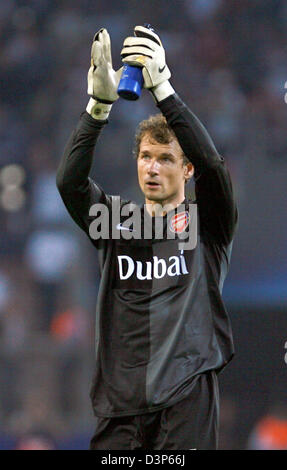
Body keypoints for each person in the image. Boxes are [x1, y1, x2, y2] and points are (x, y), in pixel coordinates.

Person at [56, 25, 238, 450]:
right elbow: (69, 182)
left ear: (186, 169)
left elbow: (214, 167)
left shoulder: (208, 223)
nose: (152, 168)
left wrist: (164, 90)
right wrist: (97, 107)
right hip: (120, 404)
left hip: (186, 398)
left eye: (165, 159)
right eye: (145, 157)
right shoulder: (115, 222)